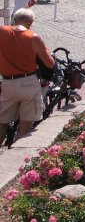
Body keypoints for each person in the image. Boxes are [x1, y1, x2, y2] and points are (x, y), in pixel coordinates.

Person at [0, 8, 55, 143]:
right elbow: (49, 64)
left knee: (2, 122)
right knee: (26, 123)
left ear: (14, 19)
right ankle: (15, 155)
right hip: (28, 82)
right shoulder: (33, 37)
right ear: (31, 22)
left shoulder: (2, 31)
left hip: (7, 82)